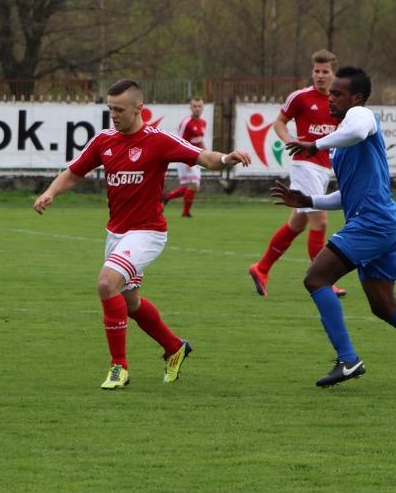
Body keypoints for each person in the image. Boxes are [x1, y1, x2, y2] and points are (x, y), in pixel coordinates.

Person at [34, 79, 251, 390]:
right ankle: (175, 348)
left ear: (139, 108)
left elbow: (204, 158)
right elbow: (74, 172)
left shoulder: (158, 140)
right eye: (110, 109)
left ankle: (119, 368)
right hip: (116, 234)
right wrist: (50, 192)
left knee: (106, 283)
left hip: (148, 233)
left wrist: (228, 158)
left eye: (119, 109)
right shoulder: (104, 141)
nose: (113, 115)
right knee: (130, 302)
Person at [271, 66, 396, 388]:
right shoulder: (341, 139)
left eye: (338, 93)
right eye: (330, 92)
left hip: (372, 223)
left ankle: (348, 359)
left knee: (316, 278)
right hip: (383, 222)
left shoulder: (360, 116)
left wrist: (314, 145)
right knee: (384, 305)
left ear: (356, 98)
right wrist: (310, 199)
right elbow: (347, 194)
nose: (330, 98)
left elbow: (360, 131)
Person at [249, 50, 347, 298]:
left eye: (325, 71)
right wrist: (289, 140)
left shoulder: (338, 102)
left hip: (323, 169)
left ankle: (261, 268)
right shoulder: (301, 97)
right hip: (304, 166)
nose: (320, 76)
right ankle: (323, 280)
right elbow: (279, 122)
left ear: (333, 74)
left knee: (297, 223)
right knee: (320, 222)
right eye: (316, 71)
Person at [162, 97, 207, 218]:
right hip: (186, 157)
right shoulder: (186, 122)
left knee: (192, 186)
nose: (197, 109)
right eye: (194, 106)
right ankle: (185, 213)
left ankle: (167, 197)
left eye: (199, 106)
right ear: (190, 108)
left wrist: (207, 152)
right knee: (193, 185)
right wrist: (185, 159)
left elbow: (200, 140)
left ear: (202, 107)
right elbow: (180, 141)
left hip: (197, 156)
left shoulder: (203, 122)